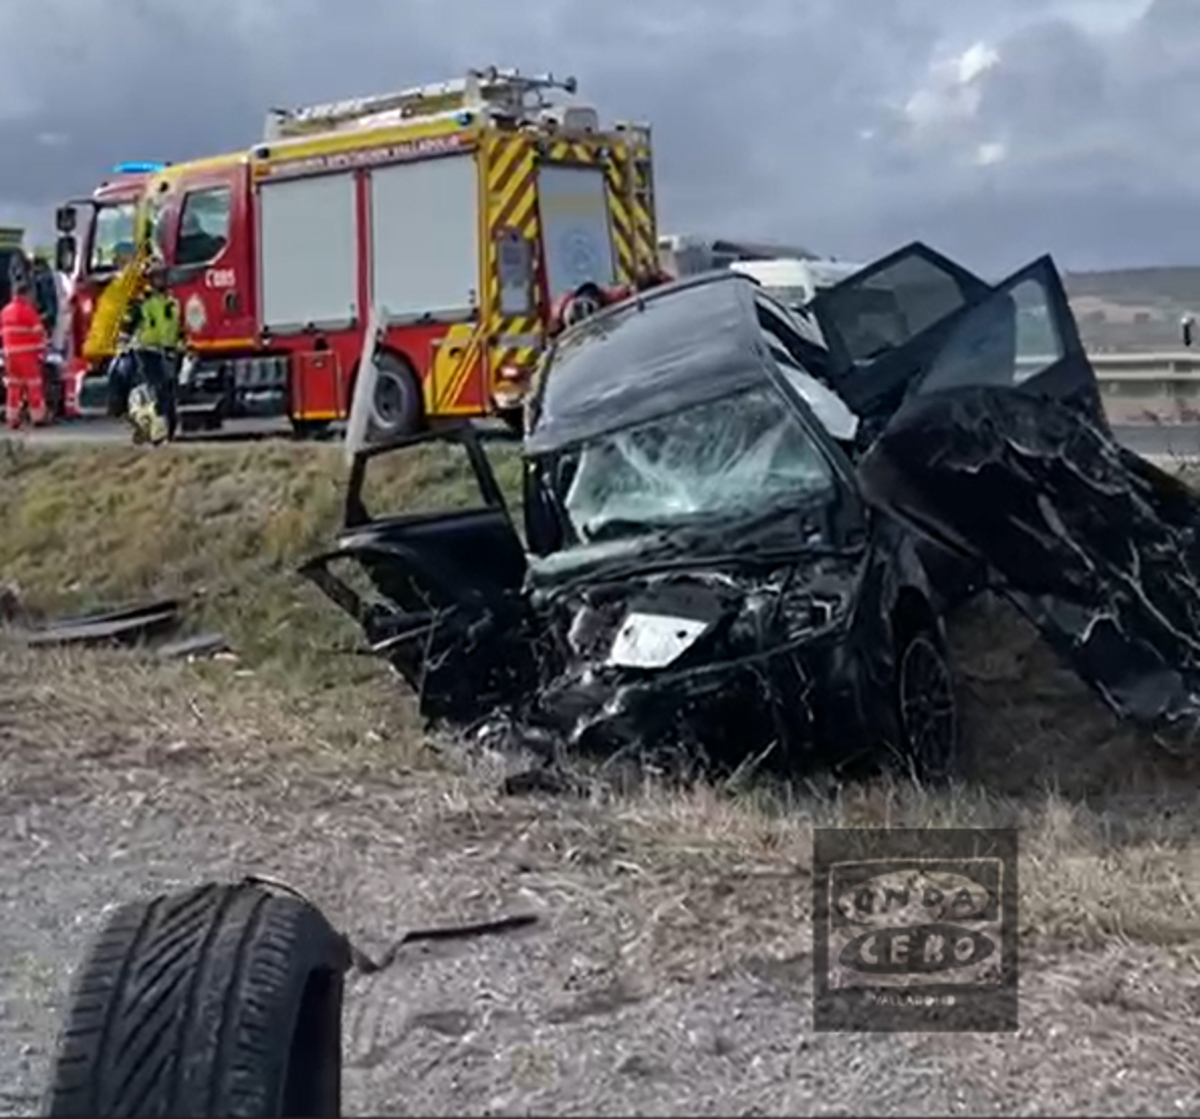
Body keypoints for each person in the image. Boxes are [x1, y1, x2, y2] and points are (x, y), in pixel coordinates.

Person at [120, 257, 185, 444]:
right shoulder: (141, 302)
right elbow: (127, 324)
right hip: (148, 352)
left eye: (163, 276)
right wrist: (124, 345)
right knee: (157, 390)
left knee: (170, 393)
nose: (161, 280)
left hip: (171, 351)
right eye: (157, 277)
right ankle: (155, 433)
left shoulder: (172, 300)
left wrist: (183, 343)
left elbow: (179, 325)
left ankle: (167, 432)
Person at [1, 270, 49, 428]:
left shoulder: (4, 312)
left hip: (10, 356)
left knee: (13, 387)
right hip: (27, 355)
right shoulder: (28, 311)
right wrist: (43, 351)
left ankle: (12, 419)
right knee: (34, 386)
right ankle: (38, 418)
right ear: (25, 295)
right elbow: (38, 333)